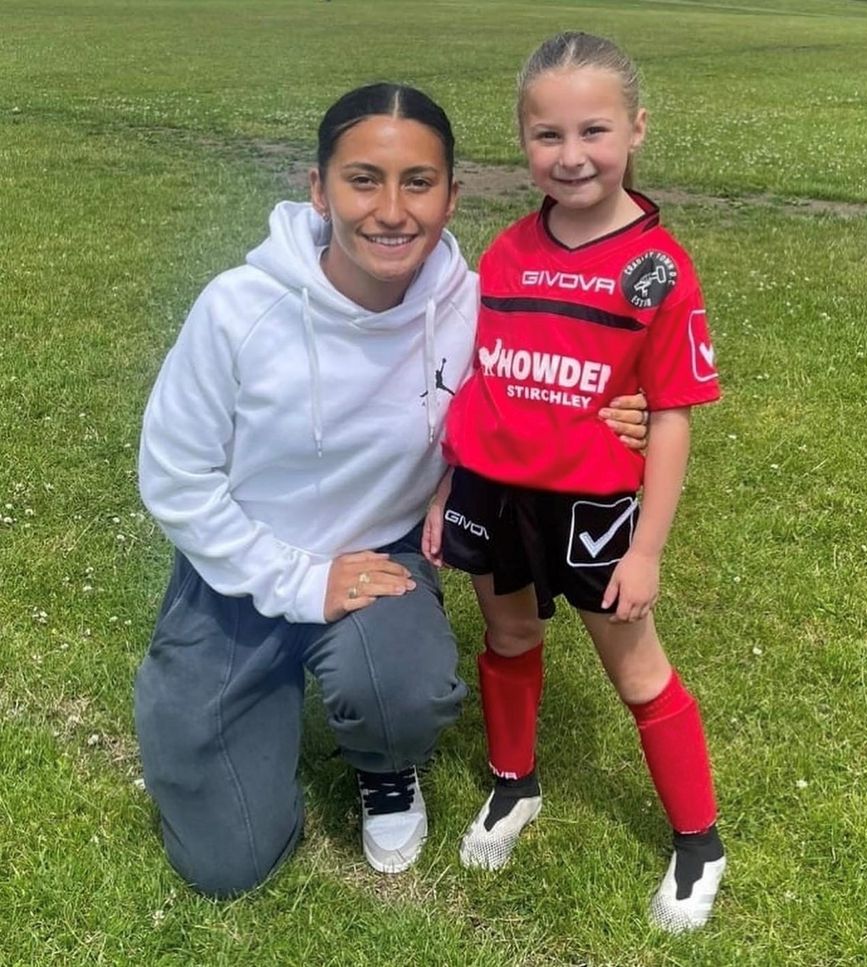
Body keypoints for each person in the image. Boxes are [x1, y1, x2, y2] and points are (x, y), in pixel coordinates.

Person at [134, 82, 649, 898]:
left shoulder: (473, 306)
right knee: (229, 864)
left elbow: (539, 389)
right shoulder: (239, 310)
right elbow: (174, 475)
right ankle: (207, 695)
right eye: (362, 179)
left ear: (451, 195)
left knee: (399, 689)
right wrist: (302, 581)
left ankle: (384, 764)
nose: (391, 210)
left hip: (381, 555)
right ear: (317, 188)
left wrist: (620, 411)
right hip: (240, 564)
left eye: (418, 182)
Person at [423, 33, 726, 932]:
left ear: (636, 128)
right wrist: (447, 491)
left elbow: (669, 414)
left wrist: (647, 548)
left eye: (593, 130)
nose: (571, 154)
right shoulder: (509, 250)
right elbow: (479, 378)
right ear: (522, 141)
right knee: (508, 629)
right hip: (490, 488)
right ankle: (515, 783)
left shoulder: (657, 268)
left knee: (634, 665)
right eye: (545, 134)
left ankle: (699, 838)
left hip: (591, 505)